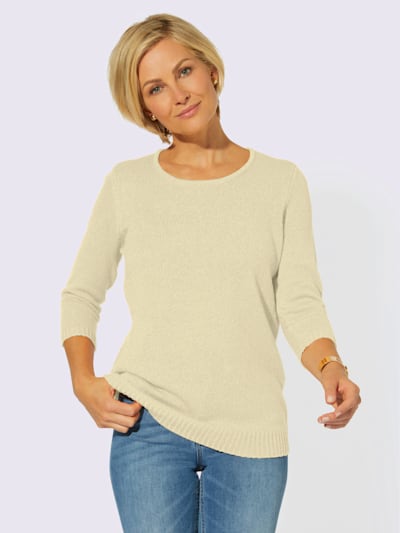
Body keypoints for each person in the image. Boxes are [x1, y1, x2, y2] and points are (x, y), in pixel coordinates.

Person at [60, 13, 361, 533]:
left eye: (184, 71)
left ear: (211, 71)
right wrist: (82, 382)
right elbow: (81, 293)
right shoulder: (128, 184)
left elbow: (298, 301)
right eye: (155, 88)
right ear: (146, 108)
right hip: (148, 425)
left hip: (252, 430)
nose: (178, 94)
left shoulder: (281, 182)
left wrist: (330, 368)